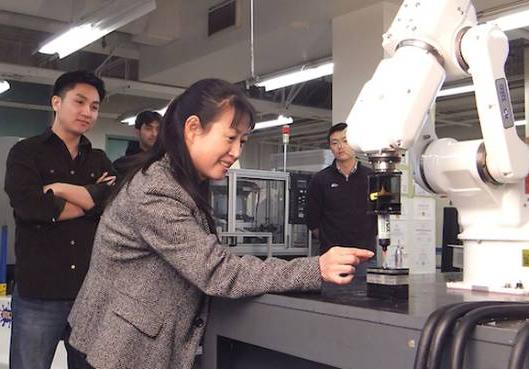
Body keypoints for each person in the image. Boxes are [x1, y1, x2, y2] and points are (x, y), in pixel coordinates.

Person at [67, 79, 374, 369]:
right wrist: (315, 268)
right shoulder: (156, 189)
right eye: (229, 138)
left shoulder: (182, 180)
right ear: (192, 128)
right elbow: (217, 271)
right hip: (120, 350)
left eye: (242, 140)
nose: (236, 152)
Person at [4, 70, 116, 369]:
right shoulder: (25, 153)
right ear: (56, 102)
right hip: (38, 294)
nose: (87, 112)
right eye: (79, 102)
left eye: (94, 106)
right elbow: (31, 207)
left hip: (89, 295)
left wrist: (60, 190)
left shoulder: (99, 160)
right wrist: (90, 198)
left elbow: (110, 207)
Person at [305, 122, 377, 257]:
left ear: (355, 144)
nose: (340, 147)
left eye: (345, 141)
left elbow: (379, 216)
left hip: (365, 255)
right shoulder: (320, 179)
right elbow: (312, 220)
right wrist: (329, 241)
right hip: (332, 257)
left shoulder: (371, 177)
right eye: (334, 143)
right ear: (330, 147)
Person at [112, 110, 161, 176]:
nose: (154, 134)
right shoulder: (122, 165)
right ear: (137, 132)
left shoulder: (168, 162)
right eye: (148, 129)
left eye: (158, 129)